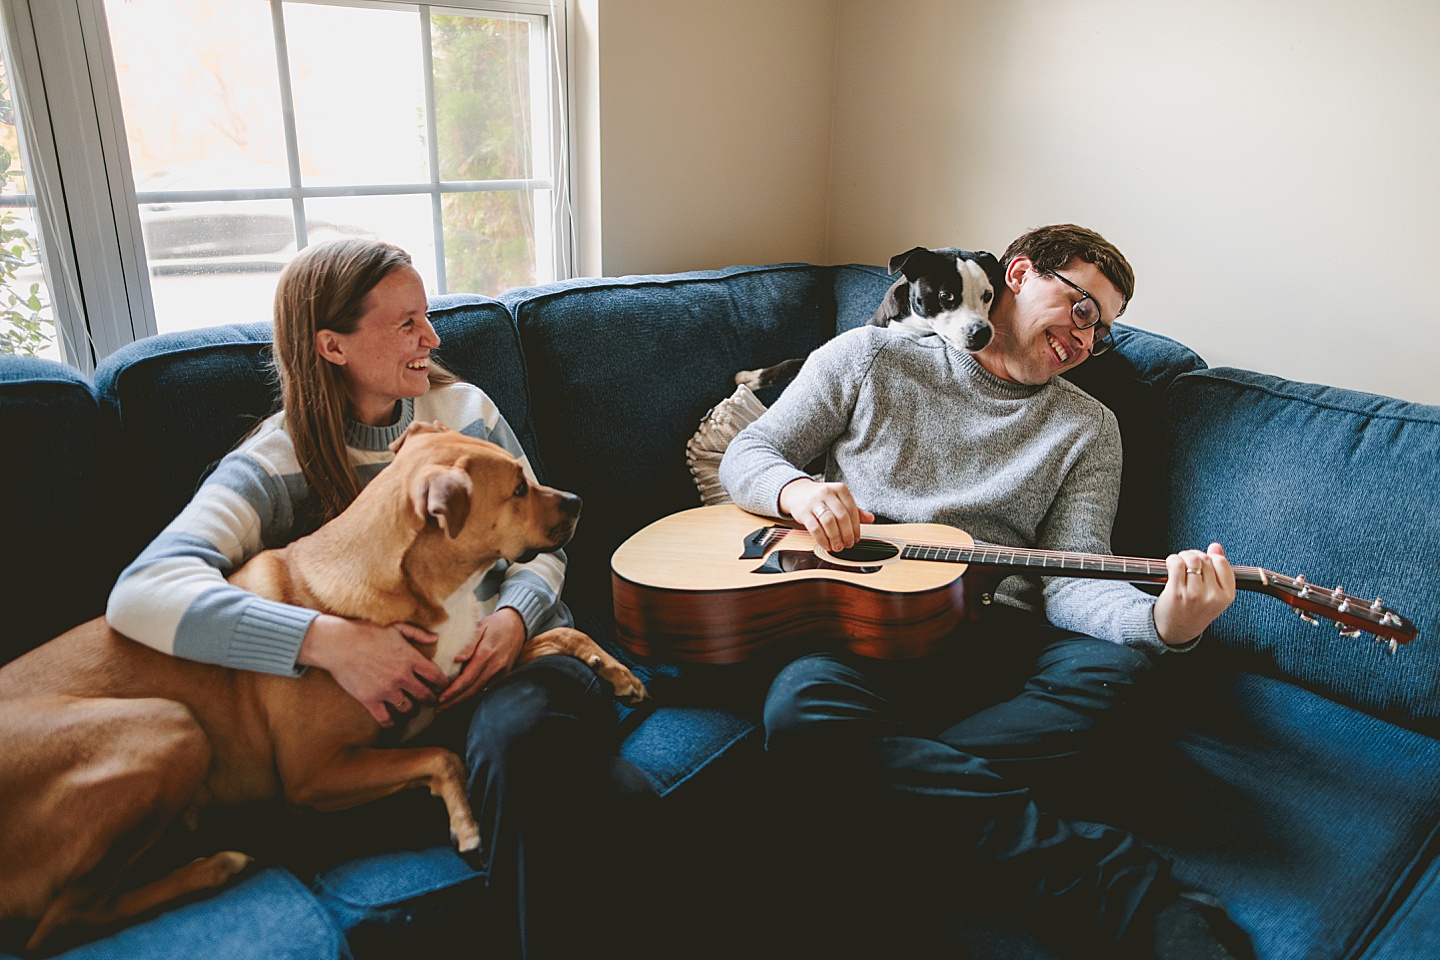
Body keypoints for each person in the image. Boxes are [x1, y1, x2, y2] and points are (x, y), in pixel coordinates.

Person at [106, 238, 654, 960]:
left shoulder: (462, 412)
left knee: (521, 744)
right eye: (405, 324)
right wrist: (327, 642)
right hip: (406, 701)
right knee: (606, 798)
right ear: (331, 345)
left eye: (426, 315)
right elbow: (143, 593)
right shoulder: (276, 460)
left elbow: (544, 544)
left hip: (516, 659)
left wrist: (517, 621)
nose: (433, 337)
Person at [718, 224, 1252, 959]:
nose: (1086, 337)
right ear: (1020, 274)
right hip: (868, 637)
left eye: (1102, 329)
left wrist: (1166, 619)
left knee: (1121, 676)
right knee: (803, 707)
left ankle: (863, 791)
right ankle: (1125, 888)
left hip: (997, 643)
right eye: (1082, 307)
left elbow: (1070, 579)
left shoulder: (1089, 428)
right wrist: (799, 492)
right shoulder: (869, 357)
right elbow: (749, 453)